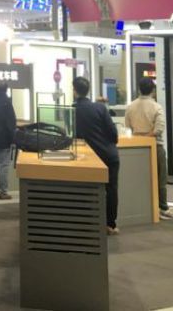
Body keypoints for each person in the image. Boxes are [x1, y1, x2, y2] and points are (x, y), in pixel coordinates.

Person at [126, 77, 173, 220]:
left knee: (140, 179)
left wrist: (139, 138)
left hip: (135, 148)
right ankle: (163, 208)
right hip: (155, 147)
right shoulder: (157, 107)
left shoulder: (130, 107)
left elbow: (127, 127)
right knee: (160, 179)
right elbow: (158, 130)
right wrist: (147, 137)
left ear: (139, 89)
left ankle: (144, 207)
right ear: (153, 90)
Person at [73, 76, 121, 234]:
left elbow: (73, 137)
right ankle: (110, 225)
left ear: (74, 91)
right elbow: (113, 133)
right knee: (111, 189)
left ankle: (90, 223)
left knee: (88, 189)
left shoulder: (73, 110)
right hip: (109, 155)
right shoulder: (100, 108)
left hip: (89, 158)